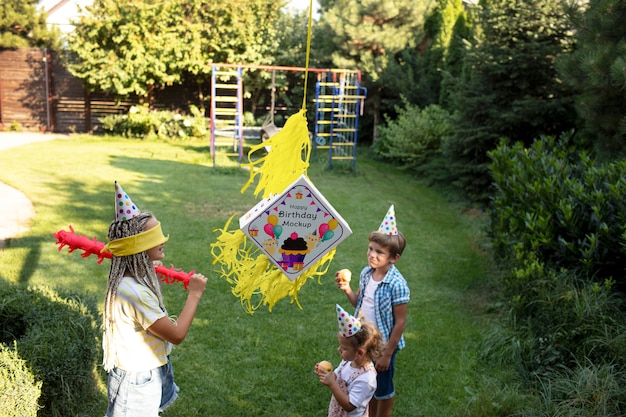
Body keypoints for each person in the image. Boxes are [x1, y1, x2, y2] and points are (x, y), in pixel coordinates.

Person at [101, 181, 208, 417]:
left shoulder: (129, 279)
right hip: (138, 379)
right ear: (137, 247)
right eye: (154, 236)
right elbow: (176, 334)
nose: (163, 240)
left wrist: (149, 271)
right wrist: (195, 294)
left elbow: (145, 312)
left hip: (146, 367)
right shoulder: (136, 293)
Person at [336, 205, 410, 417]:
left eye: (379, 252)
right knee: (368, 381)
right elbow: (359, 303)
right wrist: (347, 289)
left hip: (384, 344)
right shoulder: (366, 274)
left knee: (383, 390)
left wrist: (387, 354)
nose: (372, 254)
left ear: (394, 258)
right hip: (364, 340)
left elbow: (401, 323)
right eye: (370, 249)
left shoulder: (397, 284)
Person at [316, 304, 385, 417]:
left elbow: (349, 405)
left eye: (344, 348)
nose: (339, 350)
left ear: (359, 353)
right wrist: (327, 375)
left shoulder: (366, 379)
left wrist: (332, 384)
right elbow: (336, 377)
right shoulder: (347, 362)